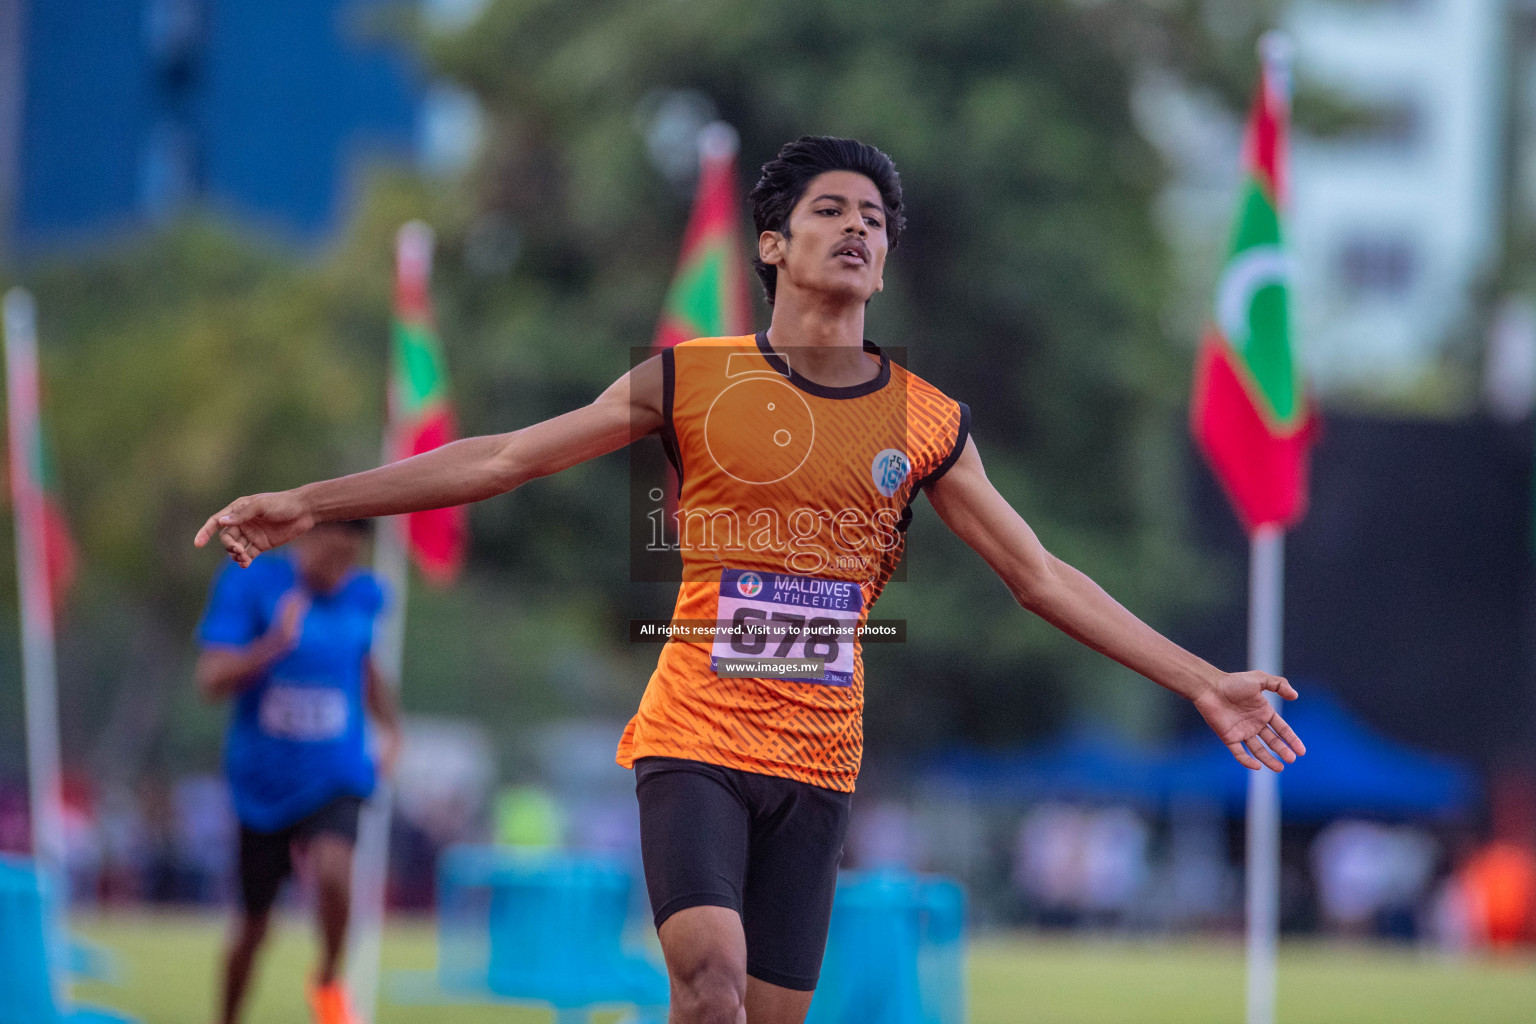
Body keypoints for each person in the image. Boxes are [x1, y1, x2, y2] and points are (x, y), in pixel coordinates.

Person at [194, 136, 1304, 1024]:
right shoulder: (693, 379)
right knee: (709, 979)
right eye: (832, 209)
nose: (860, 228)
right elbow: (497, 458)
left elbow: (1041, 575)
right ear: (771, 243)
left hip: (820, 761)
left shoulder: (925, 423)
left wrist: (1201, 678)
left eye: (876, 219)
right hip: (695, 737)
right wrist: (310, 501)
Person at [195, 518, 402, 1024]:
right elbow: (210, 680)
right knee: (252, 928)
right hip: (261, 782)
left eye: (349, 558)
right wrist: (271, 645)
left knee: (334, 868)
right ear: (303, 541)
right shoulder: (251, 584)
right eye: (329, 555)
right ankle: (227, 1015)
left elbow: (364, 663)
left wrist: (393, 729)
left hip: (336, 769)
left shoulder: (365, 596)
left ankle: (329, 975)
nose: (338, 570)